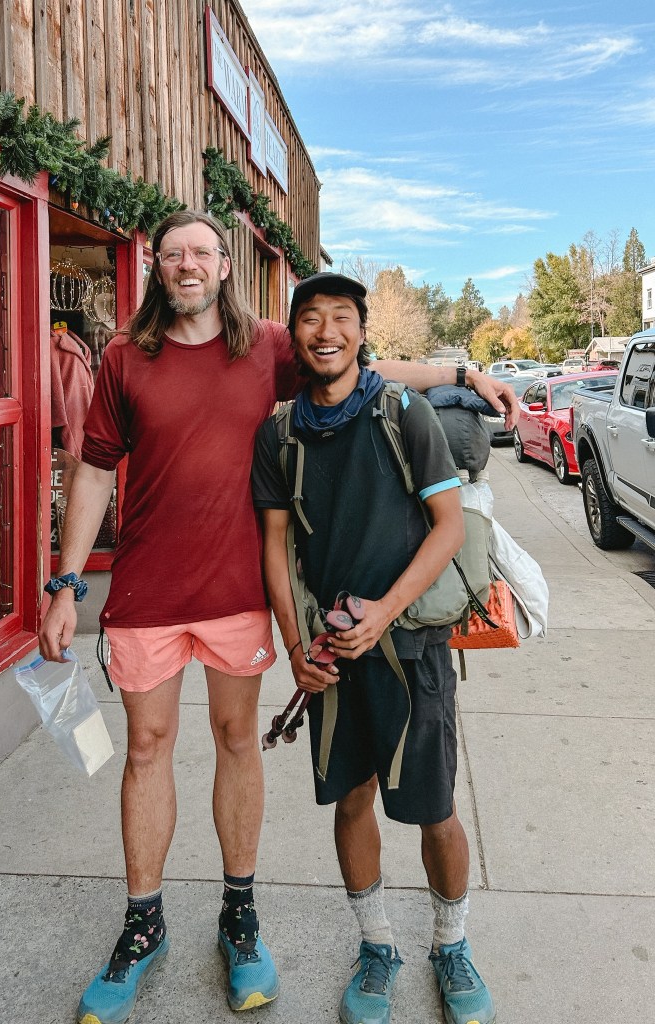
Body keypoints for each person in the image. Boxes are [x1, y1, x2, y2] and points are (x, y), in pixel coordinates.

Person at [38, 212, 514, 1024]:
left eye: (202, 251)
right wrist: (65, 581)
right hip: (147, 592)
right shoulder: (123, 356)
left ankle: (240, 917)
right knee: (145, 748)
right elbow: (93, 471)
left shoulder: (264, 346)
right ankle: (143, 924)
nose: (188, 264)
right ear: (158, 266)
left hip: (235, 593)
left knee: (237, 743)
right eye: (173, 253)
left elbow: (357, 358)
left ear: (225, 265)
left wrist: (462, 373)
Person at [251, 272, 496, 1024]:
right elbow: (274, 545)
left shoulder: (403, 413)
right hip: (331, 653)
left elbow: (449, 526)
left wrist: (385, 613)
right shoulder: (279, 434)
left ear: (361, 332)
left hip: (411, 648)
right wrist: (297, 646)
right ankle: (377, 944)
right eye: (310, 318)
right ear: (295, 335)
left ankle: (451, 944)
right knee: (352, 797)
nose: (326, 331)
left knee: (433, 807)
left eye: (341, 317)